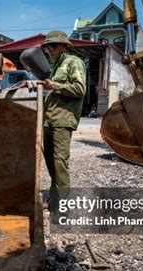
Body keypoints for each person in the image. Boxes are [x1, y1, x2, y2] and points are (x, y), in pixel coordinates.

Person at [41, 30, 87, 214]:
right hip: (49, 119)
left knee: (60, 163)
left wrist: (55, 86)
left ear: (62, 46)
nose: (48, 50)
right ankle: (55, 201)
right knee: (51, 162)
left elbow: (79, 89)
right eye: (46, 47)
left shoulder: (73, 62)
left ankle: (64, 207)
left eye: (52, 46)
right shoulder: (55, 66)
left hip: (62, 119)